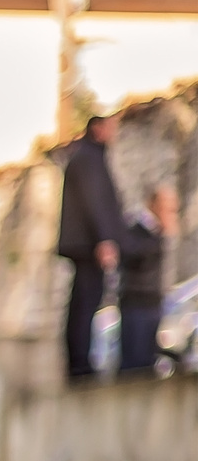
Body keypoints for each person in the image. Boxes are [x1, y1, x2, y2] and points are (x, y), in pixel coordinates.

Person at [57, 113, 126, 382]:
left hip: (85, 243)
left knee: (83, 302)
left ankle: (79, 364)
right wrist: (104, 239)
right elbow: (95, 201)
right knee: (85, 302)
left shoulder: (86, 156)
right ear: (98, 127)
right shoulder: (88, 157)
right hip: (88, 244)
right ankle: (80, 366)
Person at [117, 183, 178, 376]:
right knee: (133, 363)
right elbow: (133, 257)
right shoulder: (137, 230)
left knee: (147, 362)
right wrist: (159, 237)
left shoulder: (157, 235)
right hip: (136, 302)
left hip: (152, 302)